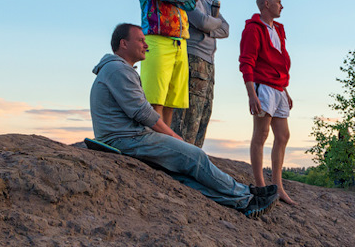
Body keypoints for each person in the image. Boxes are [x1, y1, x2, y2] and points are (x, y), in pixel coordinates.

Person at [90, 23, 277, 218]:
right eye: (141, 40)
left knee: (181, 176)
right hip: (127, 138)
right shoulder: (118, 70)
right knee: (195, 156)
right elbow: (143, 112)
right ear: (124, 43)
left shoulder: (116, 69)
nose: (146, 45)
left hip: (122, 138)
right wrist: (172, 136)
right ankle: (247, 195)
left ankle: (242, 202)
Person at [136, 0, 200, 129]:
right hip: (157, 38)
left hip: (181, 42)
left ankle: (165, 147)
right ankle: (150, 145)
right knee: (155, 99)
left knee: (172, 102)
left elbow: (190, 4)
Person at [239, 0, 295, 205]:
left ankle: (278, 186)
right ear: (266, 4)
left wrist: (286, 90)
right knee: (261, 134)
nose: (282, 6)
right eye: (278, 2)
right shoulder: (253, 29)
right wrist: (251, 94)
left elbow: (281, 61)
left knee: (283, 136)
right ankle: (261, 186)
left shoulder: (278, 29)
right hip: (263, 87)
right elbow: (247, 62)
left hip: (279, 87)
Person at [170, 0, 229, 147]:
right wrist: (212, 24)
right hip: (192, 58)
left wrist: (210, 26)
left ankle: (193, 161)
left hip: (209, 63)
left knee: (203, 114)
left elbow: (225, 29)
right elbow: (202, 21)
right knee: (188, 118)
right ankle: (180, 162)